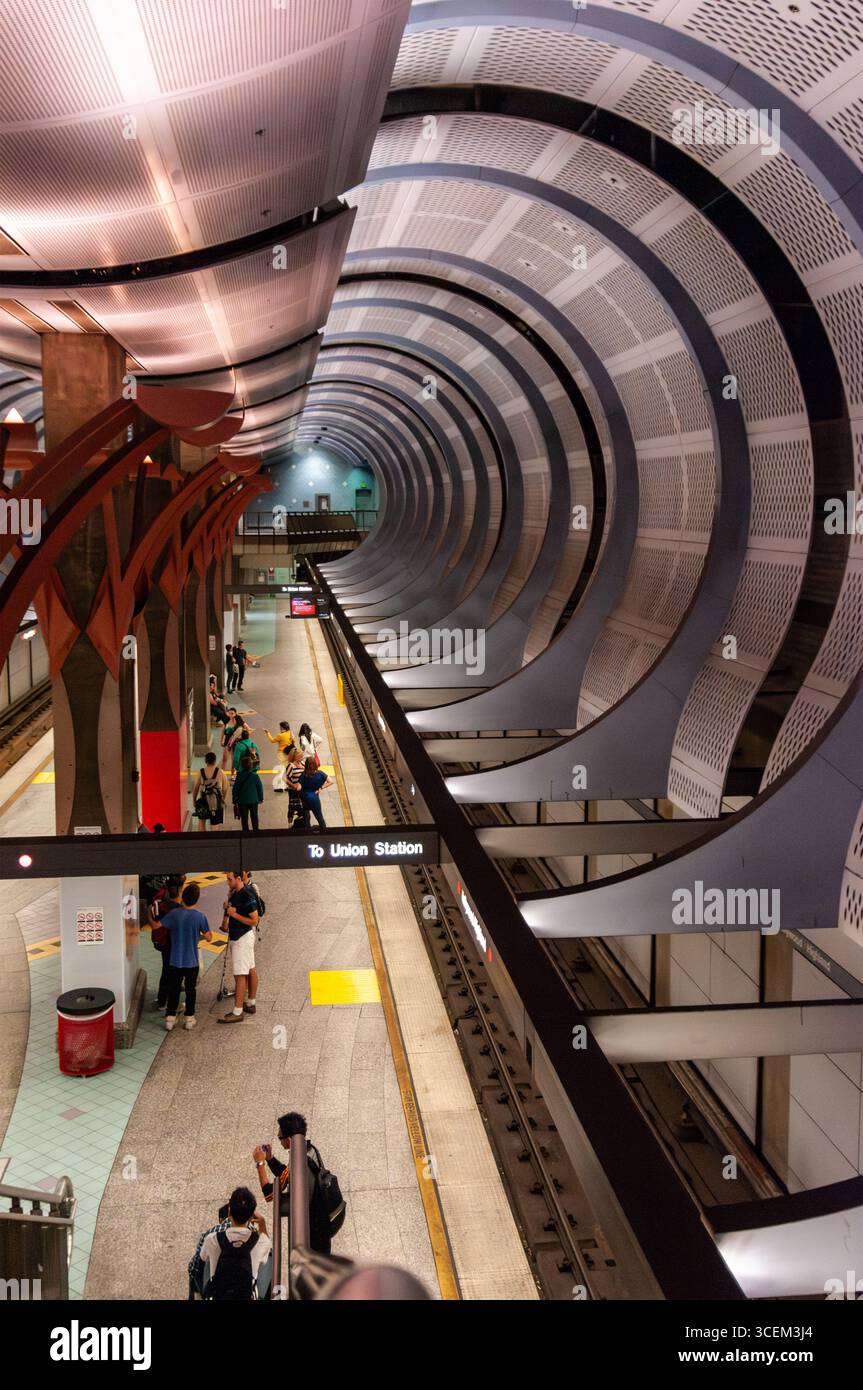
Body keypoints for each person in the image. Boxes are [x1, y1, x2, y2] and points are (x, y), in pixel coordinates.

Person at [252, 1113, 332, 1256]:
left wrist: (260, 1163)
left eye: (280, 1138)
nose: (279, 1141)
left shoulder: (298, 1164)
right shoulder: (310, 1151)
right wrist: (270, 1159)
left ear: (289, 1140)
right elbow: (287, 1175)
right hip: (321, 1224)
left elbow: (270, 1194)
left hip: (311, 1235)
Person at [199, 1187, 271, 1300]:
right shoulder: (261, 1242)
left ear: (229, 1211)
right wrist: (262, 1226)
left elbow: (202, 1261)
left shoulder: (211, 1239)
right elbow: (269, 1253)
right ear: (252, 1215)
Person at [163, 883, 213, 1032]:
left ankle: (170, 1019)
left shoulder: (174, 914)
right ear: (196, 899)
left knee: (174, 988)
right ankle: (189, 1019)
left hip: (175, 960)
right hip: (191, 961)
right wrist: (197, 936)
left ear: (183, 897)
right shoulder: (200, 916)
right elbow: (209, 937)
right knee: (191, 990)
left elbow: (159, 925)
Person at [219, 870, 259, 1022]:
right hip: (242, 936)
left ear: (238, 878)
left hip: (242, 938)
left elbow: (254, 920)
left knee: (240, 975)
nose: (227, 882)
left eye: (229, 879)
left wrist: (234, 914)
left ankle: (237, 1012)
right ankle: (251, 1002)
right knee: (249, 968)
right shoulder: (235, 892)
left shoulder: (246, 894)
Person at [148, 875, 185, 1011]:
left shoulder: (159, 897)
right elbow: (157, 925)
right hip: (171, 942)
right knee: (172, 972)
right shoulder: (174, 907)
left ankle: (162, 999)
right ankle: (168, 1003)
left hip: (162, 941)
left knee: (166, 970)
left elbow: (154, 920)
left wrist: (148, 915)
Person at [192, 751, 229, 831]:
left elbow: (195, 788)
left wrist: (194, 801)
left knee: (201, 823)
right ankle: (214, 841)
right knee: (215, 825)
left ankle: (203, 840)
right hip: (217, 802)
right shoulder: (221, 772)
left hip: (203, 802)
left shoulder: (201, 772)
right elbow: (225, 789)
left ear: (205, 761)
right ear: (215, 761)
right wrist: (223, 800)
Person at [233, 753, 264, 832]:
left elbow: (235, 788)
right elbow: (259, 787)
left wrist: (234, 799)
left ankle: (245, 832)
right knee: (254, 816)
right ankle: (255, 830)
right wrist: (261, 798)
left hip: (242, 801)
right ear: (251, 765)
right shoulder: (255, 776)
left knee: (244, 818)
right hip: (253, 800)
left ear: (242, 766)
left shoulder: (239, 776)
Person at [300, 757, 333, 831]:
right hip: (315, 800)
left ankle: (307, 831)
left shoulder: (303, 775)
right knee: (319, 817)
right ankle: (324, 832)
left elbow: (299, 787)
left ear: (306, 765)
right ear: (315, 764)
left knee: (306, 817)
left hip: (305, 799)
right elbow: (331, 781)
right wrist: (321, 788)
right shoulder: (320, 774)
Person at [265, 722, 293, 792]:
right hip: (289, 753)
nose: (280, 729)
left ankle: (278, 787)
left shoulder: (280, 735)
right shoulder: (290, 733)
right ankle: (287, 785)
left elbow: (272, 740)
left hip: (281, 754)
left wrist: (268, 733)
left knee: (281, 770)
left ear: (283, 728)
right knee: (287, 770)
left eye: (281, 728)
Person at [285, 746, 305, 827]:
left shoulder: (303, 763)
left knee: (302, 808)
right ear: (294, 756)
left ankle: (301, 824)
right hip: (293, 791)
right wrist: (293, 785)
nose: (301, 757)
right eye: (299, 756)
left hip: (302, 790)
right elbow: (286, 779)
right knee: (292, 808)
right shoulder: (291, 766)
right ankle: (290, 824)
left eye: (302, 755)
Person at [221, 707, 241, 771]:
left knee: (233, 759)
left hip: (235, 742)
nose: (231, 715)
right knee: (224, 758)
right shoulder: (226, 720)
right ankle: (222, 773)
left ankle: (232, 774)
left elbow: (241, 730)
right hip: (227, 742)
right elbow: (223, 731)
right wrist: (221, 740)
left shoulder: (238, 721)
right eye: (229, 713)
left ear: (235, 714)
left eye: (232, 713)